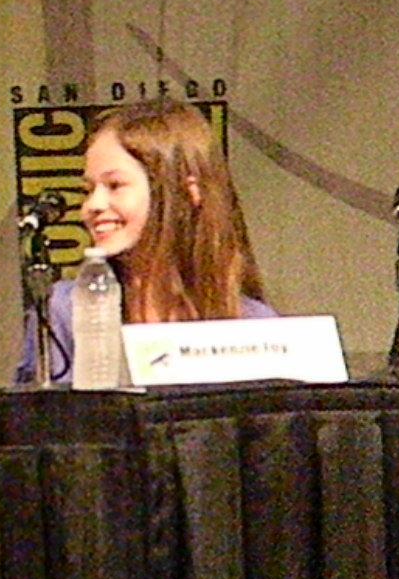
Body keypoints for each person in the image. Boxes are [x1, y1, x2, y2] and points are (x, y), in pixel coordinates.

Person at [17, 96, 272, 385]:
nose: (92, 205)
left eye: (115, 185)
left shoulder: (253, 325)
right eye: (87, 190)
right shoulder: (63, 310)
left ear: (185, 193)